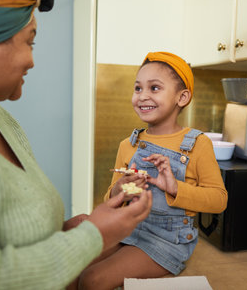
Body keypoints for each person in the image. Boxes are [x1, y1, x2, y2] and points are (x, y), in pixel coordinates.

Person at [0, 0, 152, 289]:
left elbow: (7, 229)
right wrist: (94, 236)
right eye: (29, 41)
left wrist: (65, 232)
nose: (32, 60)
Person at [78, 52, 228, 289]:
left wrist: (174, 187)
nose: (143, 96)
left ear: (182, 97)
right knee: (75, 269)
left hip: (168, 241)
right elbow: (111, 198)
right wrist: (122, 188)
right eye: (138, 88)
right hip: (128, 229)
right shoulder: (128, 145)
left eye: (154, 88)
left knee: (92, 280)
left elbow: (219, 200)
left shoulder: (198, 144)